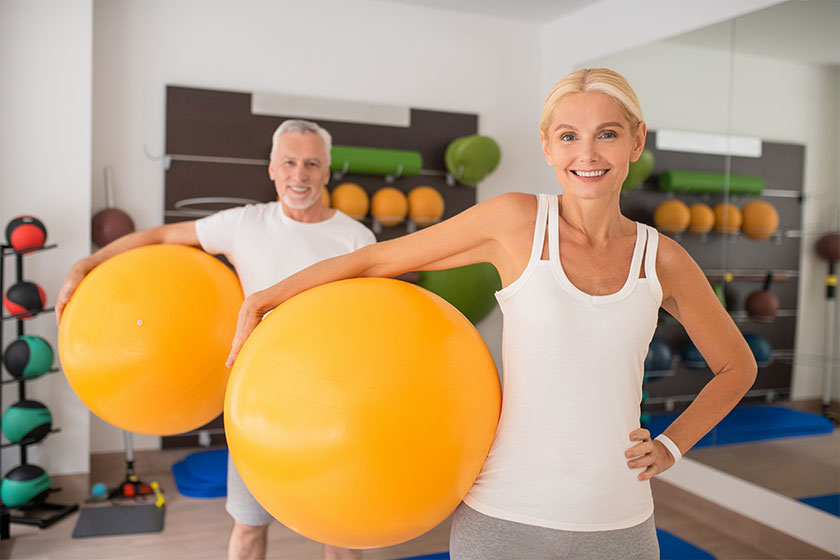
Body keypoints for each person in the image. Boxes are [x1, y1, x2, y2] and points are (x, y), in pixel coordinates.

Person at [225, 69, 757, 559]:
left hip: (618, 522)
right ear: (548, 146)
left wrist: (671, 445)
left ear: (636, 141)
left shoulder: (660, 257)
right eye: (569, 135)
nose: (587, 153)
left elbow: (738, 366)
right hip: (504, 515)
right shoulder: (516, 222)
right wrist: (263, 299)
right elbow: (378, 259)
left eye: (608, 134)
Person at [56, 119, 375, 560]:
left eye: (310, 164)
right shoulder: (244, 224)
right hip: (258, 399)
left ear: (326, 172)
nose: (298, 175)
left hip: (334, 399)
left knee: (340, 534)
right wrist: (87, 264)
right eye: (288, 162)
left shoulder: (355, 238)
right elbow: (161, 236)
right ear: (271, 168)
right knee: (248, 527)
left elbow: (369, 322)